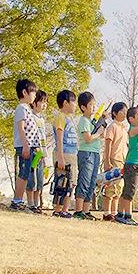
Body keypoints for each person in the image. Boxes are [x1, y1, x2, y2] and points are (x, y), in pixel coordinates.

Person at [73, 91, 106, 220]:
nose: (93, 107)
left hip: (95, 153)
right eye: (91, 105)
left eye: (94, 105)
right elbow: (87, 138)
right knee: (84, 181)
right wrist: (98, 133)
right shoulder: (83, 121)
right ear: (83, 107)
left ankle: (86, 211)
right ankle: (78, 210)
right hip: (86, 153)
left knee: (92, 182)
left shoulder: (91, 121)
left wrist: (101, 127)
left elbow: (98, 130)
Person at [10, 79, 40, 211]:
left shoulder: (27, 109)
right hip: (24, 146)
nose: (34, 95)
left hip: (31, 146)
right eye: (33, 92)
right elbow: (21, 128)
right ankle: (17, 201)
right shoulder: (21, 108)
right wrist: (26, 145)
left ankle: (19, 200)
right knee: (23, 174)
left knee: (26, 174)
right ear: (24, 92)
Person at [52, 90, 79, 219]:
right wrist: (60, 156)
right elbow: (59, 138)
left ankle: (65, 209)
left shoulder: (70, 119)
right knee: (62, 182)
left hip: (72, 154)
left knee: (71, 182)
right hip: (64, 153)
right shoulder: (60, 117)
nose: (75, 104)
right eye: (73, 101)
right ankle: (58, 209)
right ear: (65, 103)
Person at [101, 102, 129, 221]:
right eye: (122, 111)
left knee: (119, 188)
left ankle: (115, 213)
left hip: (122, 160)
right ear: (115, 113)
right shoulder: (112, 126)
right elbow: (108, 144)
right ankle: (107, 213)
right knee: (110, 187)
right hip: (113, 159)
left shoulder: (124, 128)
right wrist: (107, 161)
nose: (125, 114)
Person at [27, 90, 48, 214]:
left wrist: (44, 155)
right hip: (34, 152)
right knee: (31, 178)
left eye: (45, 102)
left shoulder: (42, 119)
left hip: (41, 154)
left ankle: (36, 204)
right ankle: (30, 204)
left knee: (39, 180)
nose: (44, 105)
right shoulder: (31, 116)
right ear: (34, 103)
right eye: (42, 101)